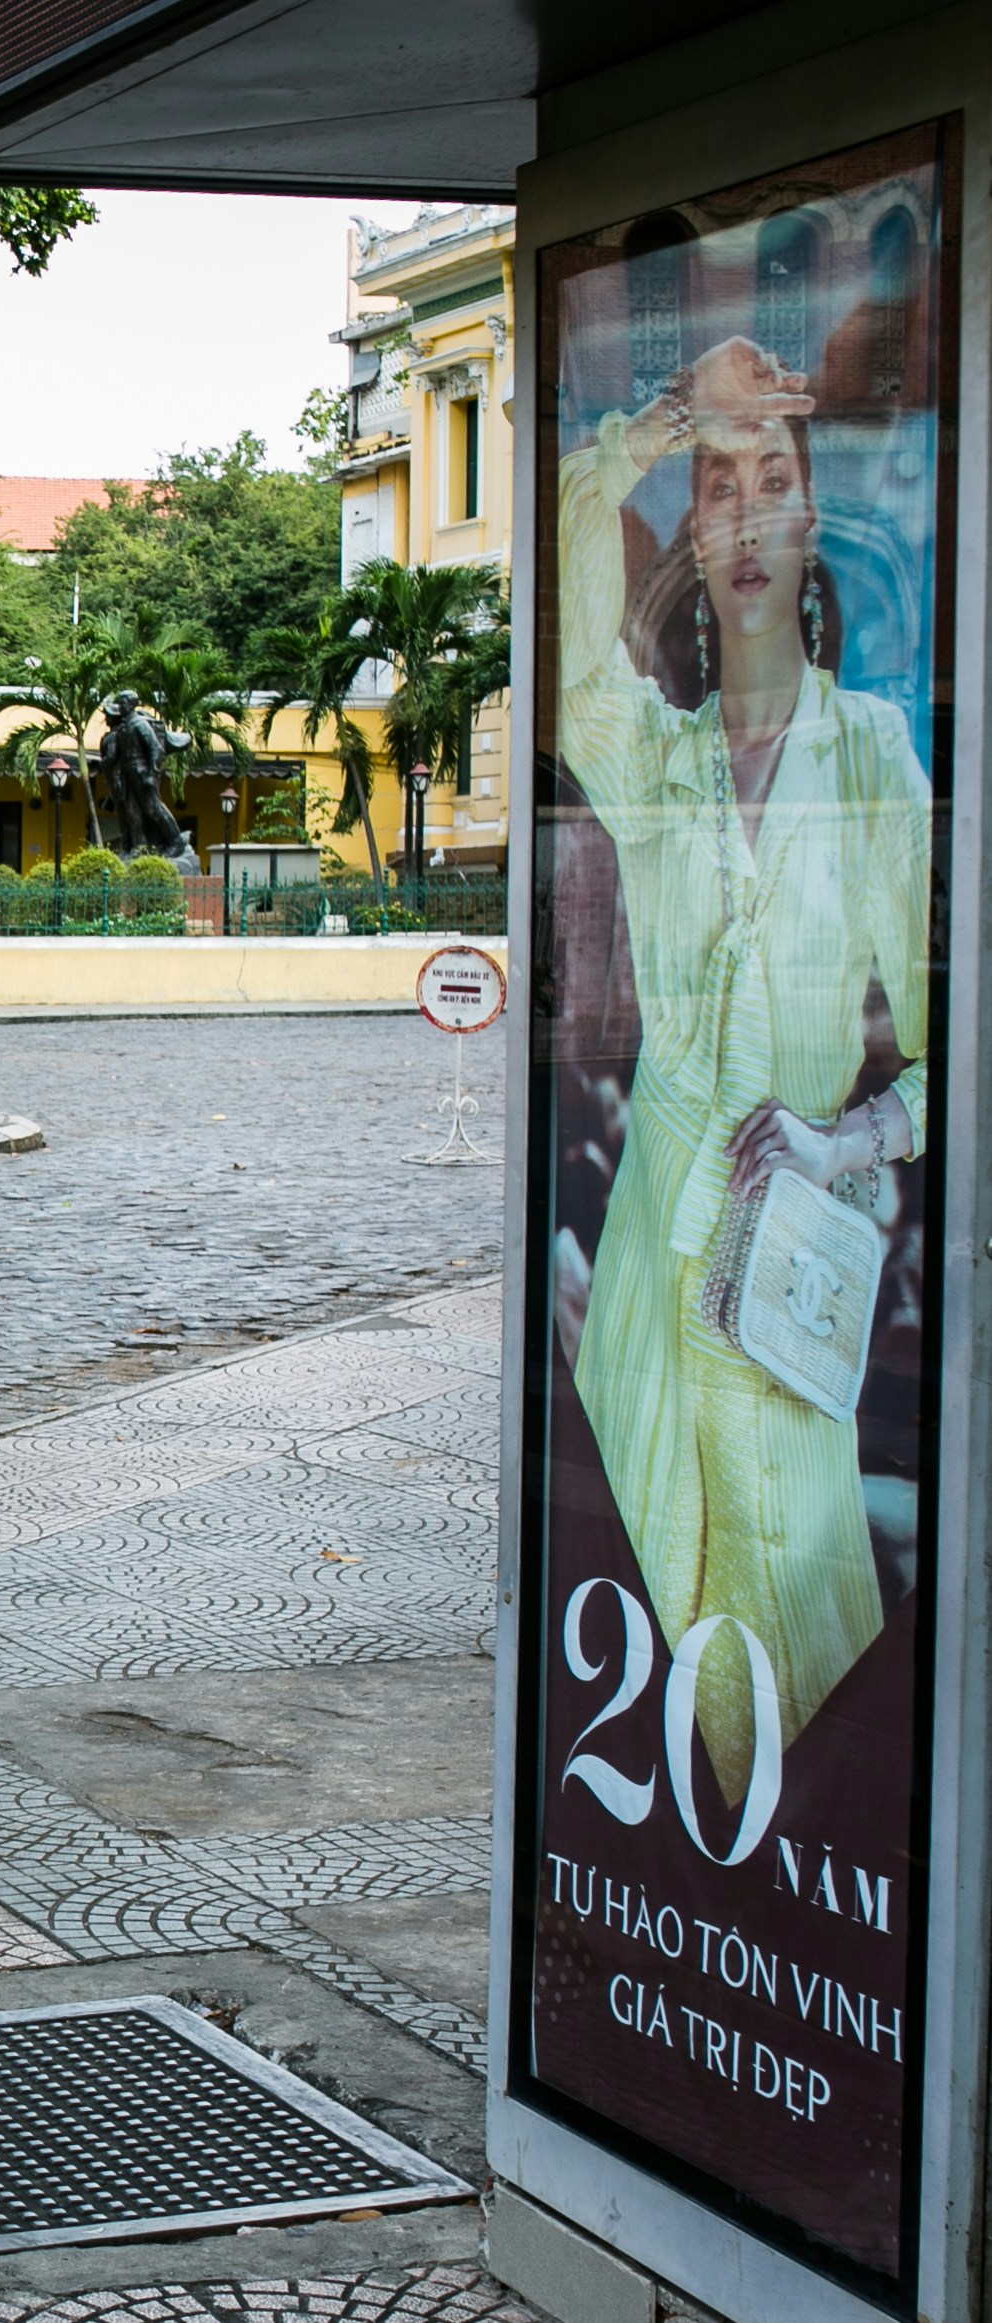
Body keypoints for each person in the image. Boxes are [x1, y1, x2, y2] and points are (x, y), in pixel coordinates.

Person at [556, 332, 928, 1800]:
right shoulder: (659, 769)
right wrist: (640, 440)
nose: (749, 514)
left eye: (775, 481)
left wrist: (849, 1140)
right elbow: (578, 656)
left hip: (785, 1302)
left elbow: (965, 1063)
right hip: (650, 1278)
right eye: (720, 487)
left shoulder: (878, 761)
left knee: (798, 1654)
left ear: (808, 518)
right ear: (697, 533)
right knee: (660, 1636)